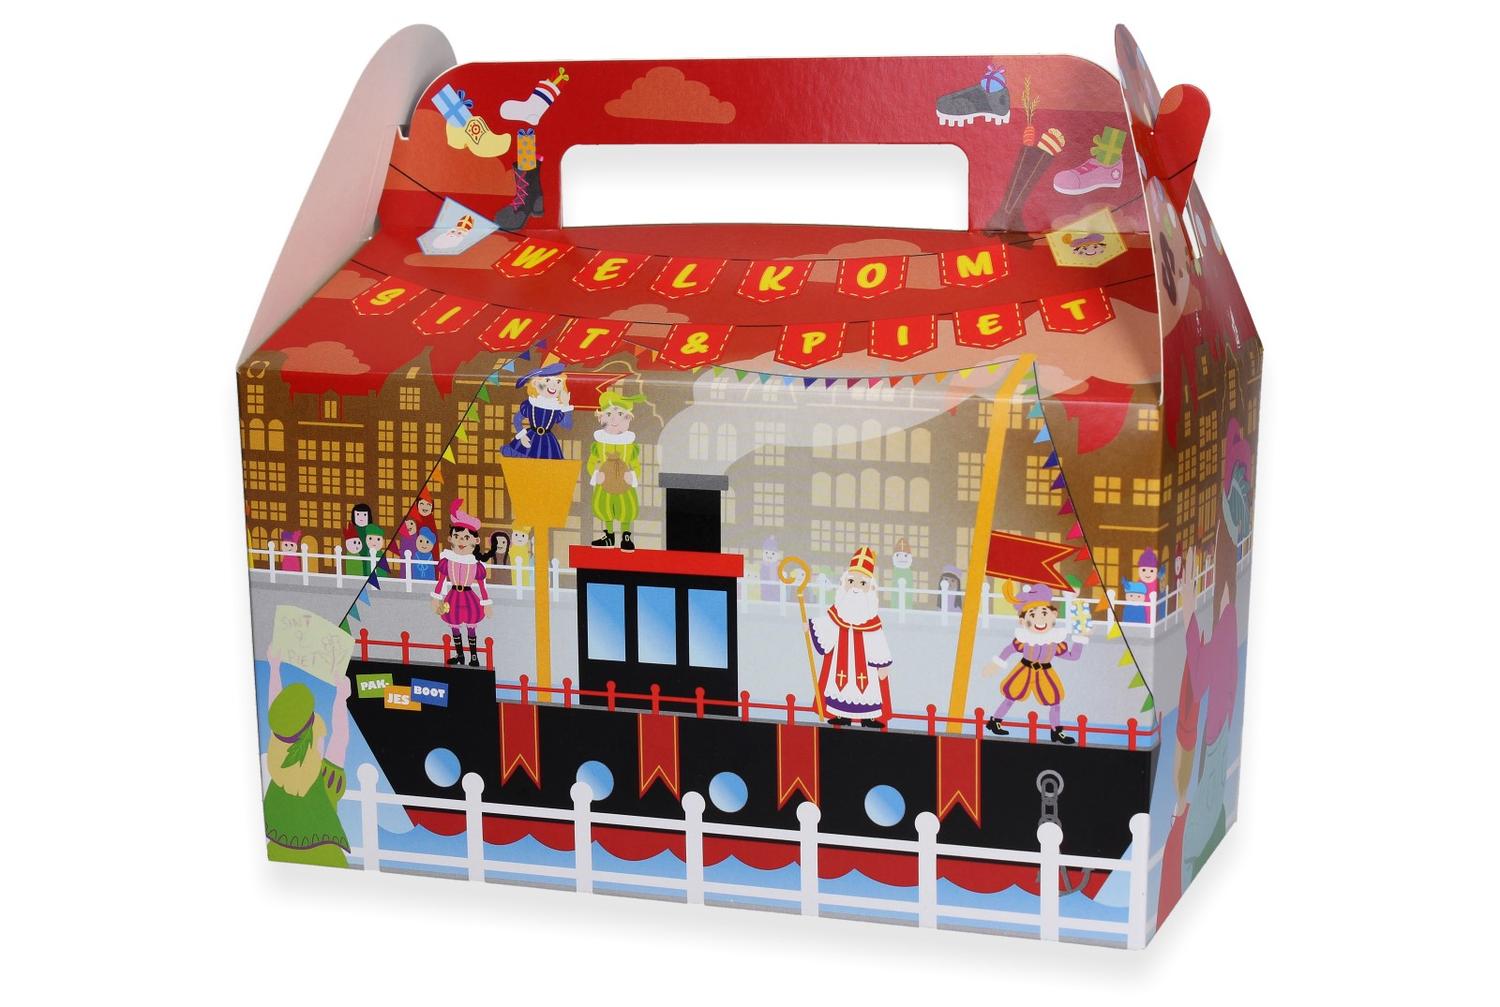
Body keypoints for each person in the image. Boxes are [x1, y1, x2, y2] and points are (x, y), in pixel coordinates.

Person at [262, 668, 352, 867]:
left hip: (278, 858)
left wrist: (274, 669)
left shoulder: (278, 779)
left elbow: (277, 720)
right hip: (327, 861)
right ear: (316, 742)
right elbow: (340, 737)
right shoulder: (326, 778)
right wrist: (341, 697)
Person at [982, 583, 1089, 744]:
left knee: (1055, 701)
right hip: (1024, 669)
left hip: (1045, 672)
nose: (1039, 619)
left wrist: (1080, 640)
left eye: (1044, 613)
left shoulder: (1054, 640)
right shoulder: (1024, 639)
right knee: (1011, 696)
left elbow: (1073, 656)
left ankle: (1056, 731)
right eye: (1032, 615)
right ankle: (995, 721)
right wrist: (996, 663)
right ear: (1023, 621)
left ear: (1053, 615)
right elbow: (1009, 650)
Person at [809, 547, 893, 728]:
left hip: (867, 668)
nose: (855, 588)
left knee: (868, 691)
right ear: (844, 582)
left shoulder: (871, 619)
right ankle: (841, 715)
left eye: (862, 583)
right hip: (841, 662)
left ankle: (868, 718)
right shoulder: (838, 613)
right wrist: (810, 626)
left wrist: (883, 664)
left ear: (870, 588)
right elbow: (826, 628)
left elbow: (877, 641)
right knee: (839, 689)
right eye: (851, 581)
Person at [430, 499, 492, 667]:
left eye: (466, 537)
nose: (461, 541)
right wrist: (436, 598)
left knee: (471, 626)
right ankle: (460, 655)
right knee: (454, 625)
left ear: (475, 541)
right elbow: (441, 581)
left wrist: (486, 603)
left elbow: (482, 586)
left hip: (469, 596)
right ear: (451, 538)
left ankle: (474, 656)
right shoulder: (447, 561)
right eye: (457, 537)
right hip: (453, 596)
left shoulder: (475, 565)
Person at [587, 390, 646, 551]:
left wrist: (632, 476)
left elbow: (636, 464)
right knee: (604, 507)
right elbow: (592, 462)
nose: (614, 419)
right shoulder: (599, 443)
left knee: (626, 508)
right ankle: (609, 536)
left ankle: (626, 536)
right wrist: (596, 474)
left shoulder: (629, 444)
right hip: (604, 482)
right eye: (609, 414)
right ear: (601, 418)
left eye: (619, 414)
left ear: (627, 418)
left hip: (624, 484)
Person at [500, 363, 573, 460]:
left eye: (558, 381)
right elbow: (517, 419)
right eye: (547, 380)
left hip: (548, 442)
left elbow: (567, 426)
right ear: (535, 383)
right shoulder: (531, 404)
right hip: (530, 437)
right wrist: (522, 435)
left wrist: (566, 404)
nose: (553, 385)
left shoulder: (556, 408)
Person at [889, 539, 915, 610]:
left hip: (907, 599)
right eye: (898, 555)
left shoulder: (908, 572)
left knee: (908, 597)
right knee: (895, 597)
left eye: (905, 555)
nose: (902, 558)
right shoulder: (895, 571)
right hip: (895, 600)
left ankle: (908, 608)